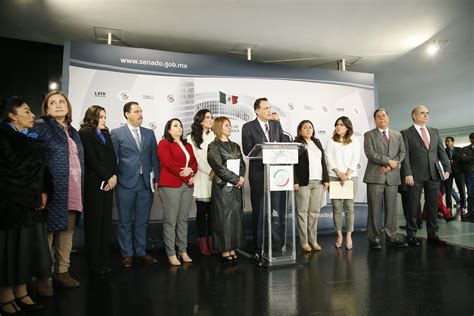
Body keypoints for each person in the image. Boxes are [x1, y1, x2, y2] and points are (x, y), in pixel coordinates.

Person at [0, 97, 51, 314]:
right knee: (9, 251)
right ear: (12, 115)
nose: (32, 116)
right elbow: (7, 175)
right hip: (11, 207)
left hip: (32, 206)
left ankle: (21, 291)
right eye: (26, 111)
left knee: (25, 250)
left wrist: (44, 192)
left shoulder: (32, 139)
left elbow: (41, 172)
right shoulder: (3, 138)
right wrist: (29, 196)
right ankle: (5, 295)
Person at [32, 90, 84, 290]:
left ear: (68, 106)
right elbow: (34, 159)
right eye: (53, 103)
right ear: (46, 109)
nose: (58, 105)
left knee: (67, 232)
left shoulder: (73, 131)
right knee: (47, 235)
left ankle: (62, 272)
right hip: (52, 190)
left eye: (62, 101)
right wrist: (41, 188)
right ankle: (44, 278)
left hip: (72, 189)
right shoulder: (41, 127)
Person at [111, 101, 160, 268]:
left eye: (141, 111)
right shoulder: (117, 133)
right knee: (125, 221)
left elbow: (154, 157)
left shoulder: (149, 133)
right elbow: (113, 159)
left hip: (146, 184)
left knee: (142, 221)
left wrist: (156, 178)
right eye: (136, 111)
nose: (140, 114)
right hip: (125, 183)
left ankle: (141, 252)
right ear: (127, 114)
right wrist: (115, 178)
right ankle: (127, 254)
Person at [401, 105, 451, 246]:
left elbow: (441, 151)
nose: (426, 116)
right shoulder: (406, 133)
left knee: (433, 206)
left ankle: (433, 234)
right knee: (413, 205)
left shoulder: (434, 131)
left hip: (434, 174)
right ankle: (411, 235)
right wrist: (407, 173)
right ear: (414, 116)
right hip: (415, 176)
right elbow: (405, 156)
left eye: (427, 113)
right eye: (422, 113)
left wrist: (447, 168)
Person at [241, 98, 284, 261]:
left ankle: (276, 243)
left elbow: (282, 144)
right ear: (257, 111)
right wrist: (265, 149)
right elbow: (247, 150)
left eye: (270, 107)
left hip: (276, 173)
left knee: (275, 209)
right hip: (259, 174)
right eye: (265, 108)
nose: (269, 110)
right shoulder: (248, 127)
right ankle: (259, 246)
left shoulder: (276, 125)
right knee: (259, 211)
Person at [79, 105, 117, 274]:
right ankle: (94, 263)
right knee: (94, 225)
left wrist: (114, 176)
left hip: (109, 185)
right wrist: (107, 177)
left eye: (104, 116)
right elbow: (91, 160)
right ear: (92, 118)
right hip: (94, 186)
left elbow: (113, 158)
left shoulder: (106, 134)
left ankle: (104, 260)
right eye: (101, 117)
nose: (104, 120)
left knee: (105, 224)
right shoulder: (84, 134)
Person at [363, 108, 408, 250]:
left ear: (388, 118)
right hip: (375, 176)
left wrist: (390, 167)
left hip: (392, 176)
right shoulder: (369, 135)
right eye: (378, 116)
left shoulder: (397, 135)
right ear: (375, 120)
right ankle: (374, 238)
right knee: (375, 209)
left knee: (391, 209)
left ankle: (391, 235)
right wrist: (389, 161)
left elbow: (402, 153)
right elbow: (371, 154)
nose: (381, 118)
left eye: (384, 115)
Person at [158, 118, 198, 266]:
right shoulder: (164, 143)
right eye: (175, 126)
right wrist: (188, 175)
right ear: (169, 130)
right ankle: (171, 253)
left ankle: (183, 250)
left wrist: (191, 173)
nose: (179, 128)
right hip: (170, 185)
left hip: (187, 185)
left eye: (180, 125)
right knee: (171, 221)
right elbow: (168, 163)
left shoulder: (187, 145)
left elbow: (194, 163)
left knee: (183, 219)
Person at [207, 117, 246, 262]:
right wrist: (236, 179)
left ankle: (232, 247)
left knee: (235, 218)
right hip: (222, 187)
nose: (230, 128)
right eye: (226, 125)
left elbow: (242, 163)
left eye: (230, 125)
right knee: (223, 218)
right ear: (218, 127)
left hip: (236, 187)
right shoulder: (213, 146)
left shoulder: (235, 145)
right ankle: (224, 248)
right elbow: (218, 167)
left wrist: (241, 177)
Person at [293, 120, 329, 252]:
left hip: (318, 182)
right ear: (300, 130)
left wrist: (326, 178)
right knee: (302, 213)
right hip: (303, 183)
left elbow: (323, 162)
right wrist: (295, 181)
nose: (308, 130)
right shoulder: (296, 144)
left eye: (310, 127)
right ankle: (304, 242)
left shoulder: (317, 142)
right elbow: (293, 164)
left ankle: (313, 240)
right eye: (305, 127)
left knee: (314, 212)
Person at [325, 116, 360, 250]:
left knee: (349, 207)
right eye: (337, 124)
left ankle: (349, 235)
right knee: (337, 208)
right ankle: (339, 234)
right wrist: (339, 173)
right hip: (334, 176)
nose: (338, 127)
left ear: (347, 127)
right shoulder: (330, 141)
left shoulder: (354, 141)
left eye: (341, 124)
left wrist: (347, 173)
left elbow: (356, 158)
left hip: (350, 177)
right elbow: (328, 158)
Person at [187, 109, 215, 256]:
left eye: (211, 117)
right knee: (202, 211)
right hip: (201, 176)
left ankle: (212, 242)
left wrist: (216, 171)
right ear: (200, 120)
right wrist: (209, 171)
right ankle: (202, 242)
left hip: (215, 177)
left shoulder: (214, 135)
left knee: (212, 213)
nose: (211, 120)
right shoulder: (191, 137)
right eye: (208, 117)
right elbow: (194, 159)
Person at [444, 136, 467, 215]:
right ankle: (448, 207)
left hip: (459, 172)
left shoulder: (459, 150)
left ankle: (463, 206)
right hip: (448, 173)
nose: (446, 143)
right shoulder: (444, 151)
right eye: (446, 141)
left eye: (448, 141)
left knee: (461, 190)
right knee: (448, 190)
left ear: (453, 142)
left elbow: (463, 160)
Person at [459, 133, 474, 220]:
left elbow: (465, 158)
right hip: (469, 174)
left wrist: (467, 158)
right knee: (470, 193)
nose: (472, 140)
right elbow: (461, 159)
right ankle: (471, 212)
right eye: (471, 138)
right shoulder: (465, 149)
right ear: (470, 139)